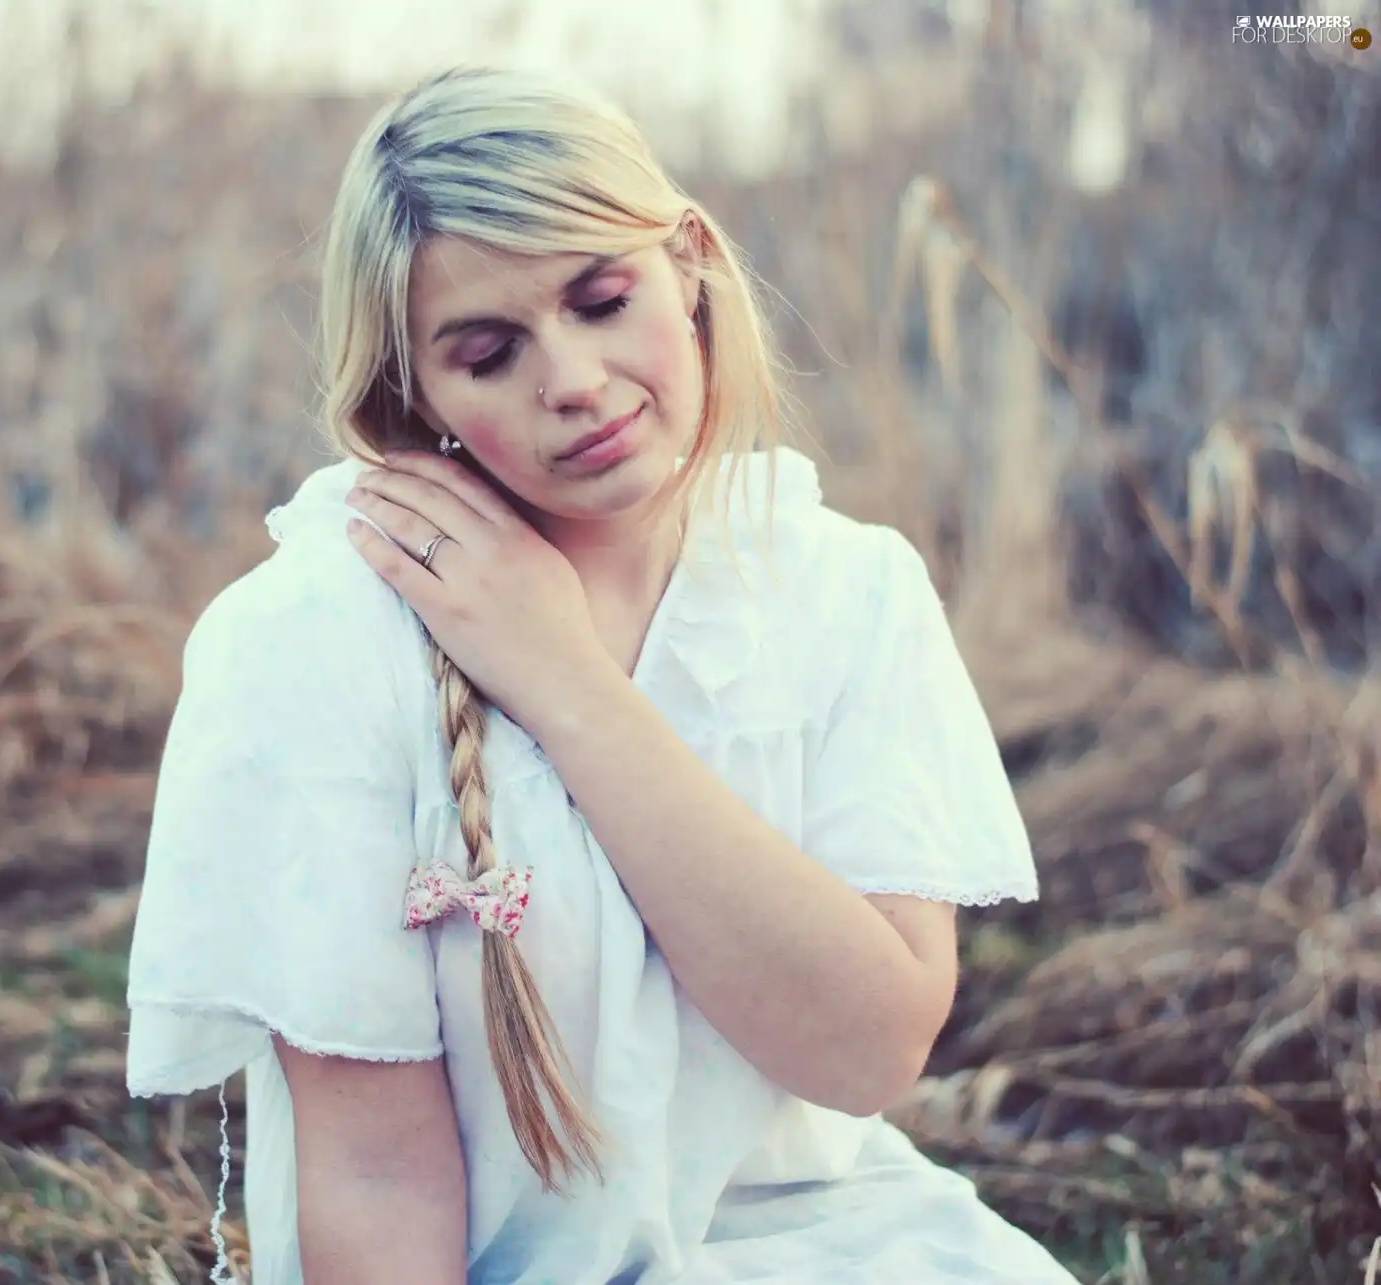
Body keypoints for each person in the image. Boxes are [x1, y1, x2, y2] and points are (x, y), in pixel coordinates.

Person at [125, 65, 1076, 1285]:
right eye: (489, 350)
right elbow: (372, 1170)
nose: (570, 378)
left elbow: (866, 1050)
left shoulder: (848, 592)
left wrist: (565, 680)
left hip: (826, 1247)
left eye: (601, 297)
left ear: (687, 267)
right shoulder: (311, 635)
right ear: (415, 395)